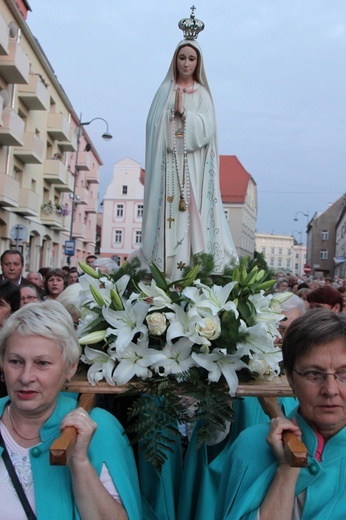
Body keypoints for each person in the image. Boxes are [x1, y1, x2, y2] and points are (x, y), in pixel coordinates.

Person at [0, 300, 142, 519]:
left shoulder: (99, 427)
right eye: (15, 361)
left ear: (70, 367)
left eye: (42, 363)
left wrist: (80, 460)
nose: (26, 377)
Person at [177, 293, 305, 520]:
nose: (279, 338)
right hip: (231, 481)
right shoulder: (240, 374)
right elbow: (211, 439)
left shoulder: (306, 379)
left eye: (288, 331)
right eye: (275, 328)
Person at [134, 8, 237, 279]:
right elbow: (153, 127)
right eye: (182, 57)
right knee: (167, 219)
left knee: (192, 218)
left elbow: (207, 130)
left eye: (191, 58)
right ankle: (164, 269)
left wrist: (185, 116)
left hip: (193, 169)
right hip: (167, 166)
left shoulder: (202, 94)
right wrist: (170, 116)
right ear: (175, 60)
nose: (186, 63)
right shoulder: (163, 91)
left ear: (198, 62)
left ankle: (192, 266)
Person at [215, 309, 346, 519]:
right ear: (291, 380)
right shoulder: (250, 446)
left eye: (344, 373)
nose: (330, 390)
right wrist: (287, 469)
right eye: (314, 374)